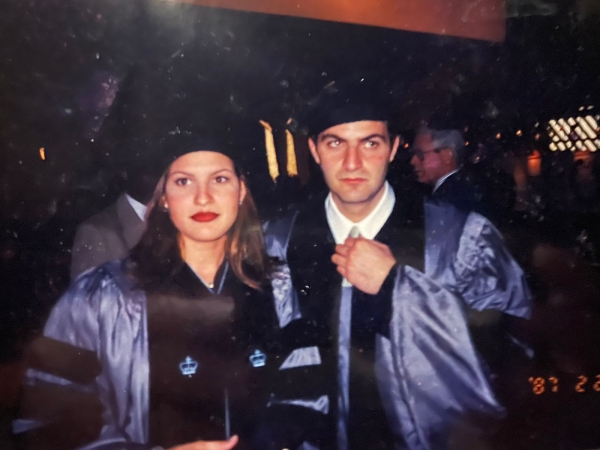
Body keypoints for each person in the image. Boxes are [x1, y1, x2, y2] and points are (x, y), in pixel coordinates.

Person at [262, 92, 532, 450]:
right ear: (314, 151)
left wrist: (397, 289)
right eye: (335, 143)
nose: (353, 162)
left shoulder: (457, 236)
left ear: (393, 149)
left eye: (370, 143)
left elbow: (512, 361)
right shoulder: (279, 240)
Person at [15, 134, 280, 450]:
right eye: (183, 182)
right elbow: (49, 413)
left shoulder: (277, 287)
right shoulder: (104, 296)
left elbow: (306, 392)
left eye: (220, 179)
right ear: (164, 197)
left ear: (242, 190)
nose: (204, 198)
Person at [70, 160, 162, 279]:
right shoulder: (96, 231)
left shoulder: (174, 222)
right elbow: (86, 295)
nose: (155, 177)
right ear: (126, 174)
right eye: (149, 170)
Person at [410, 125, 489, 217]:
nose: (413, 161)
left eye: (420, 154)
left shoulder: (448, 201)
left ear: (447, 155)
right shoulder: (464, 191)